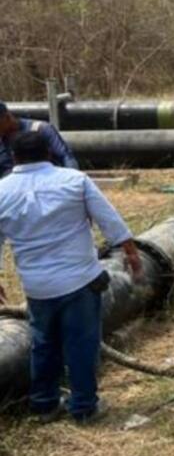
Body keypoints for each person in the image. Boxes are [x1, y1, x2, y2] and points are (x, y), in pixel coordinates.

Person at [0, 130, 142, 423]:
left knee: (43, 343)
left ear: (14, 157)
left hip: (37, 287)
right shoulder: (74, 181)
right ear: (49, 153)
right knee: (81, 345)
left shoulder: (3, 191)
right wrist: (130, 252)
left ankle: (44, 404)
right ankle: (84, 407)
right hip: (79, 281)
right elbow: (109, 219)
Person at [0, 102, 78, 178]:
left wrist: (71, 180)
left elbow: (66, 157)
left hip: (49, 182)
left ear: (7, 117)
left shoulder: (40, 129)